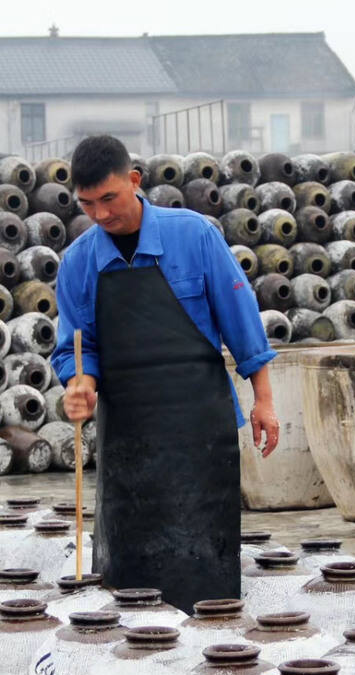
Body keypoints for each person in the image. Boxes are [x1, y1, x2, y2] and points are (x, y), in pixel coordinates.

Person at [50, 134, 278, 613]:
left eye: (109, 198)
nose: (100, 215)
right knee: (130, 580)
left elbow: (241, 321)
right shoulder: (79, 263)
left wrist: (264, 400)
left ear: (134, 181)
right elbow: (78, 347)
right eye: (87, 204)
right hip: (127, 437)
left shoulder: (193, 236)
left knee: (205, 570)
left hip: (199, 430)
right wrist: (80, 385)